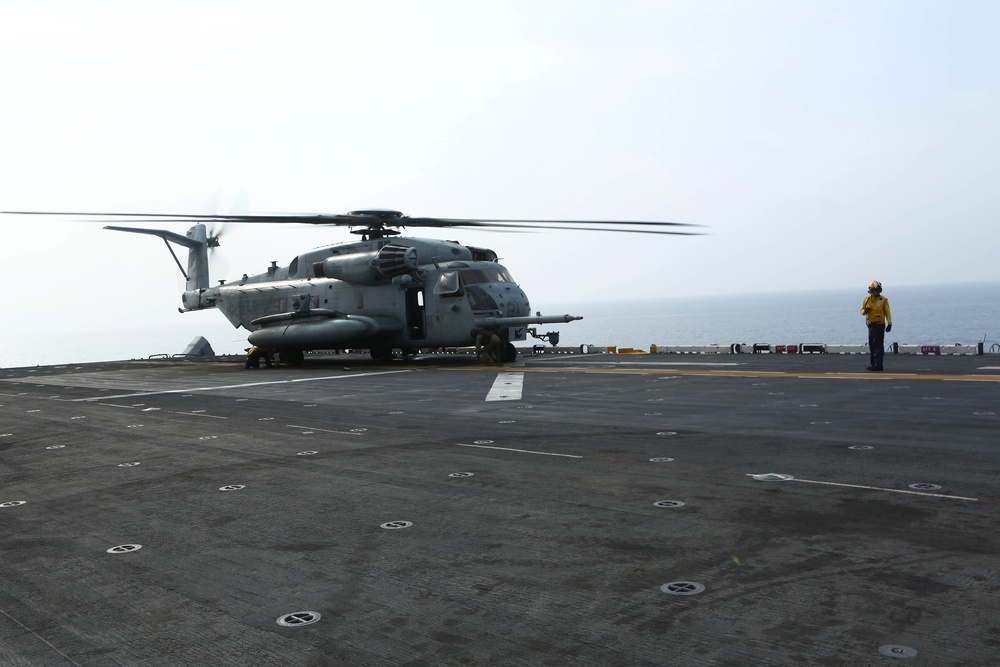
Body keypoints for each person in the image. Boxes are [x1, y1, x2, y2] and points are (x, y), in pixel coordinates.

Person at [860, 280, 892, 371]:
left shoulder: (883, 300)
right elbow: (861, 311)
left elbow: (888, 312)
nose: (878, 292)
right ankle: (874, 364)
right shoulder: (866, 300)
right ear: (871, 290)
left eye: (879, 290)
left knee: (878, 345)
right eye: (876, 290)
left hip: (879, 325)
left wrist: (889, 324)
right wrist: (865, 311)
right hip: (870, 326)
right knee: (872, 345)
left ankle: (878, 365)